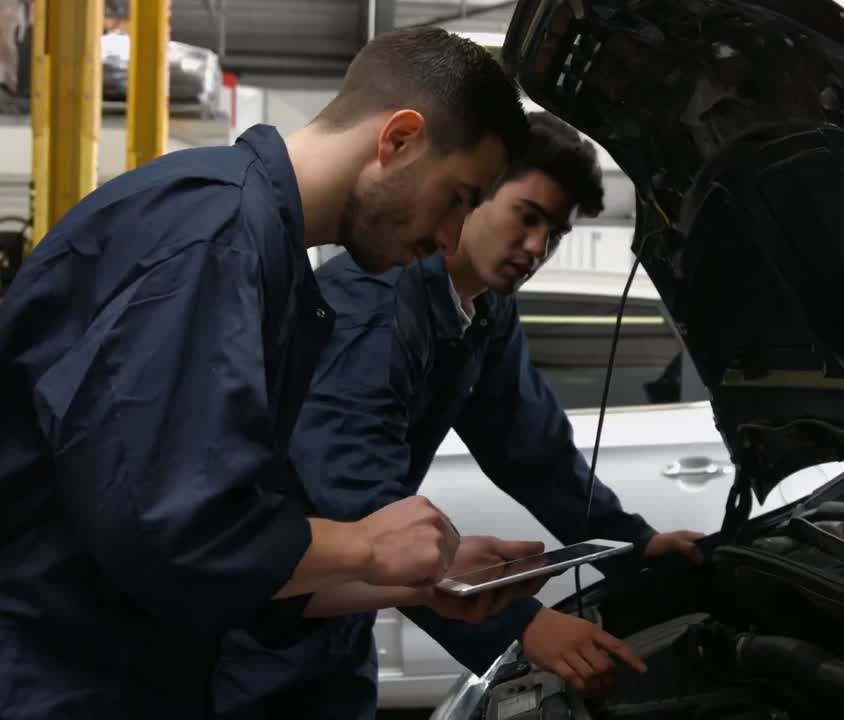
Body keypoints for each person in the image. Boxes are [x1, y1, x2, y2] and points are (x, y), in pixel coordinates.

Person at [0, 26, 545, 719]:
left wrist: (423, 580)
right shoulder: (214, 237)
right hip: (49, 675)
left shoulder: (264, 258)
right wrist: (364, 544)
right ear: (400, 139)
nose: (450, 238)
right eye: (457, 198)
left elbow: (235, 561)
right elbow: (173, 533)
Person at [210, 112, 707, 719]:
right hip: (255, 618)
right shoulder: (374, 308)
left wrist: (637, 541)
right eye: (527, 216)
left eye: (554, 233)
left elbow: (533, 450)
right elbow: (358, 499)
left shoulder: (483, 311)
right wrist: (523, 624)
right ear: (473, 194)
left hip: (339, 614)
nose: (537, 248)